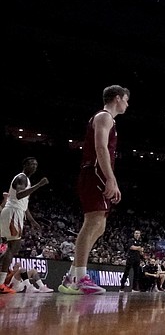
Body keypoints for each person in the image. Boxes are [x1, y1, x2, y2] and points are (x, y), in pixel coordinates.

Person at [59, 85, 129, 295]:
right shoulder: (104, 117)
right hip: (94, 172)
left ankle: (72, 275)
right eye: (126, 99)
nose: (127, 103)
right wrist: (110, 179)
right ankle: (80, 278)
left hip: (97, 173)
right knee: (93, 223)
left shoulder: (108, 119)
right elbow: (100, 148)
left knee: (99, 226)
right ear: (117, 98)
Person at [0, 157, 48, 294]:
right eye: (32, 163)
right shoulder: (21, 178)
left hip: (17, 212)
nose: (34, 166)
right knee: (13, 246)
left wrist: (32, 220)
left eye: (36, 164)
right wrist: (39, 185)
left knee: (13, 247)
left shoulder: (26, 180)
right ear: (25, 165)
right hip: (13, 212)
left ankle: (1, 281)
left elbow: (24, 204)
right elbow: (20, 195)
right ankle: (1, 283)